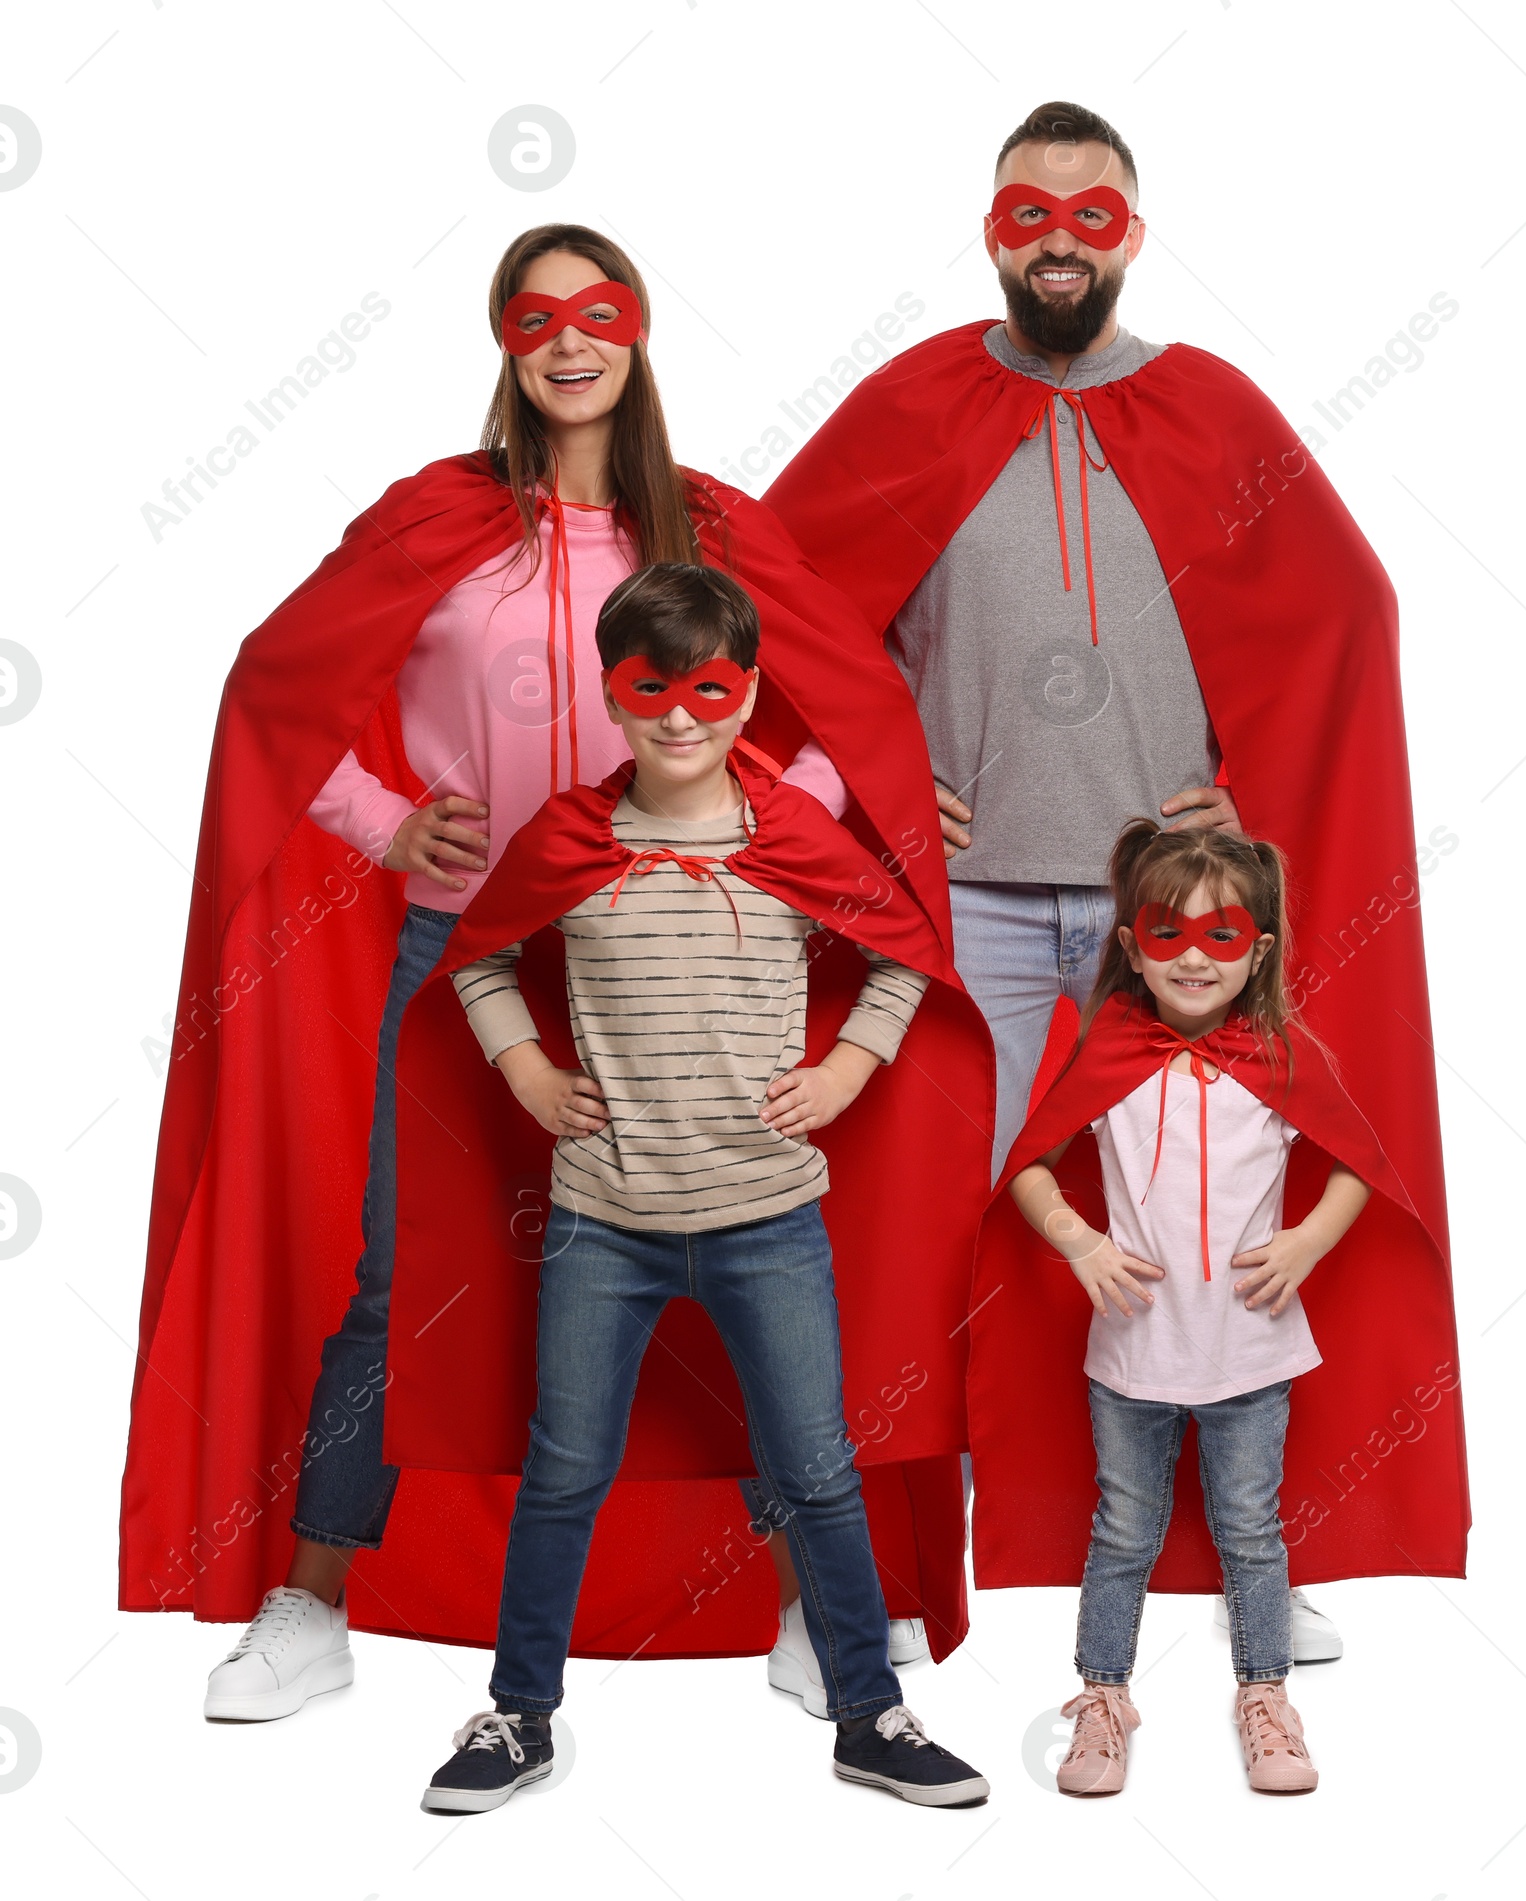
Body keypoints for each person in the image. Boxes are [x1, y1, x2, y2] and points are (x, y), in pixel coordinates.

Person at [122, 224, 986, 1721]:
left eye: (600, 314)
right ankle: (312, 1599)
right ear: (508, 342)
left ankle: (806, 1610)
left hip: (690, 950)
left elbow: (859, 711)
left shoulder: (709, 528)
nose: (570, 341)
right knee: (402, 1273)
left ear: (640, 334)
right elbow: (274, 690)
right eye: (539, 317)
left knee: (737, 1269)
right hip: (470, 947)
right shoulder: (434, 520)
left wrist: (794, 833)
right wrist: (391, 823)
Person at [764, 99, 1468, 1652]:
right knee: (916, 1230)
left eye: (1095, 214)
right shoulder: (914, 405)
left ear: (1132, 238)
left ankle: (1236, 1565)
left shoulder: (1211, 410)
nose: (1062, 239)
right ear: (993, 229)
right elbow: (768, 612)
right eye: (1031, 212)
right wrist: (869, 785)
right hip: (972, 921)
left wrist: (1251, 790)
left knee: (1201, 1227)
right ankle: (856, 1590)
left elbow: (1342, 613)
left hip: (1170, 933)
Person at [417, 564, 988, 1810]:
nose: (681, 717)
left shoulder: (791, 836)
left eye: (711, 688)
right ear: (613, 697)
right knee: (565, 1466)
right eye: (651, 690)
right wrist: (524, 1067)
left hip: (769, 1218)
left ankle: (868, 1715)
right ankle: (518, 1716)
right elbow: (478, 956)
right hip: (600, 1222)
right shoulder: (571, 834)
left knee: (817, 1468)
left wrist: (848, 1066)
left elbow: (904, 951)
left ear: (750, 694)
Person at [1008, 821, 1377, 1793]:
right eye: (1167, 933)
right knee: (1122, 1528)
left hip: (1251, 1352)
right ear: (1131, 944)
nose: (1194, 959)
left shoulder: (1281, 1056)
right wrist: (1079, 1239)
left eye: (1222, 936)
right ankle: (1100, 1697)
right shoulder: (1108, 1055)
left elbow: (1358, 1168)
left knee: (1250, 1531)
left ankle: (1263, 1693)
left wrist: (1305, 1240)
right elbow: (1028, 1168)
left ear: (1257, 948)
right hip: (1131, 1352)